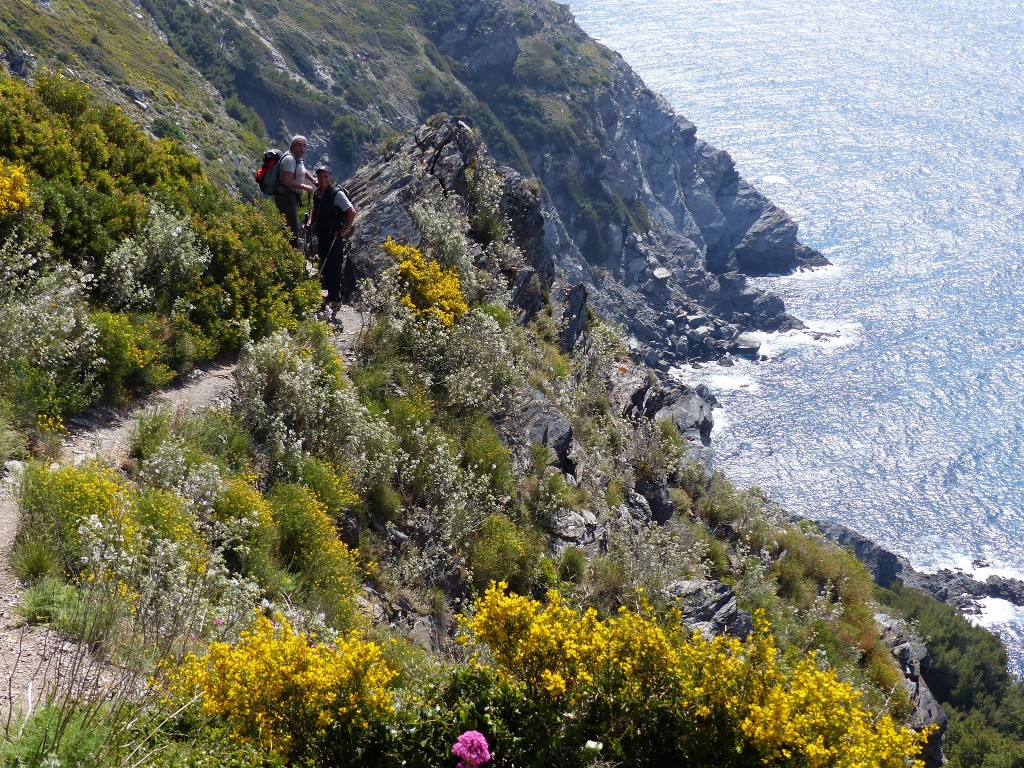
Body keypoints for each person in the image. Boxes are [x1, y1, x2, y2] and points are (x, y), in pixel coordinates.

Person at [305, 162, 356, 309]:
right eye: (320, 176)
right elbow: (315, 211)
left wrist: (343, 231)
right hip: (322, 235)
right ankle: (331, 295)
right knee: (325, 264)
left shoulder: (336, 194)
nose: (322, 179)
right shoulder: (318, 193)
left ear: (330, 177)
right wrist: (309, 223)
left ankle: (336, 298)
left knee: (333, 265)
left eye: (325, 176)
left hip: (334, 237)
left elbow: (351, 212)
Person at [274, 135, 316, 247]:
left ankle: (287, 250)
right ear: (292, 146)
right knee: (291, 227)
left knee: (289, 225)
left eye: (304, 146)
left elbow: (302, 170)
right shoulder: (290, 160)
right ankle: (290, 254)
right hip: (286, 197)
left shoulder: (297, 158)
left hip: (290, 196)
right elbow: (286, 182)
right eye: (299, 145)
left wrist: (313, 180)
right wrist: (305, 187)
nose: (302, 148)